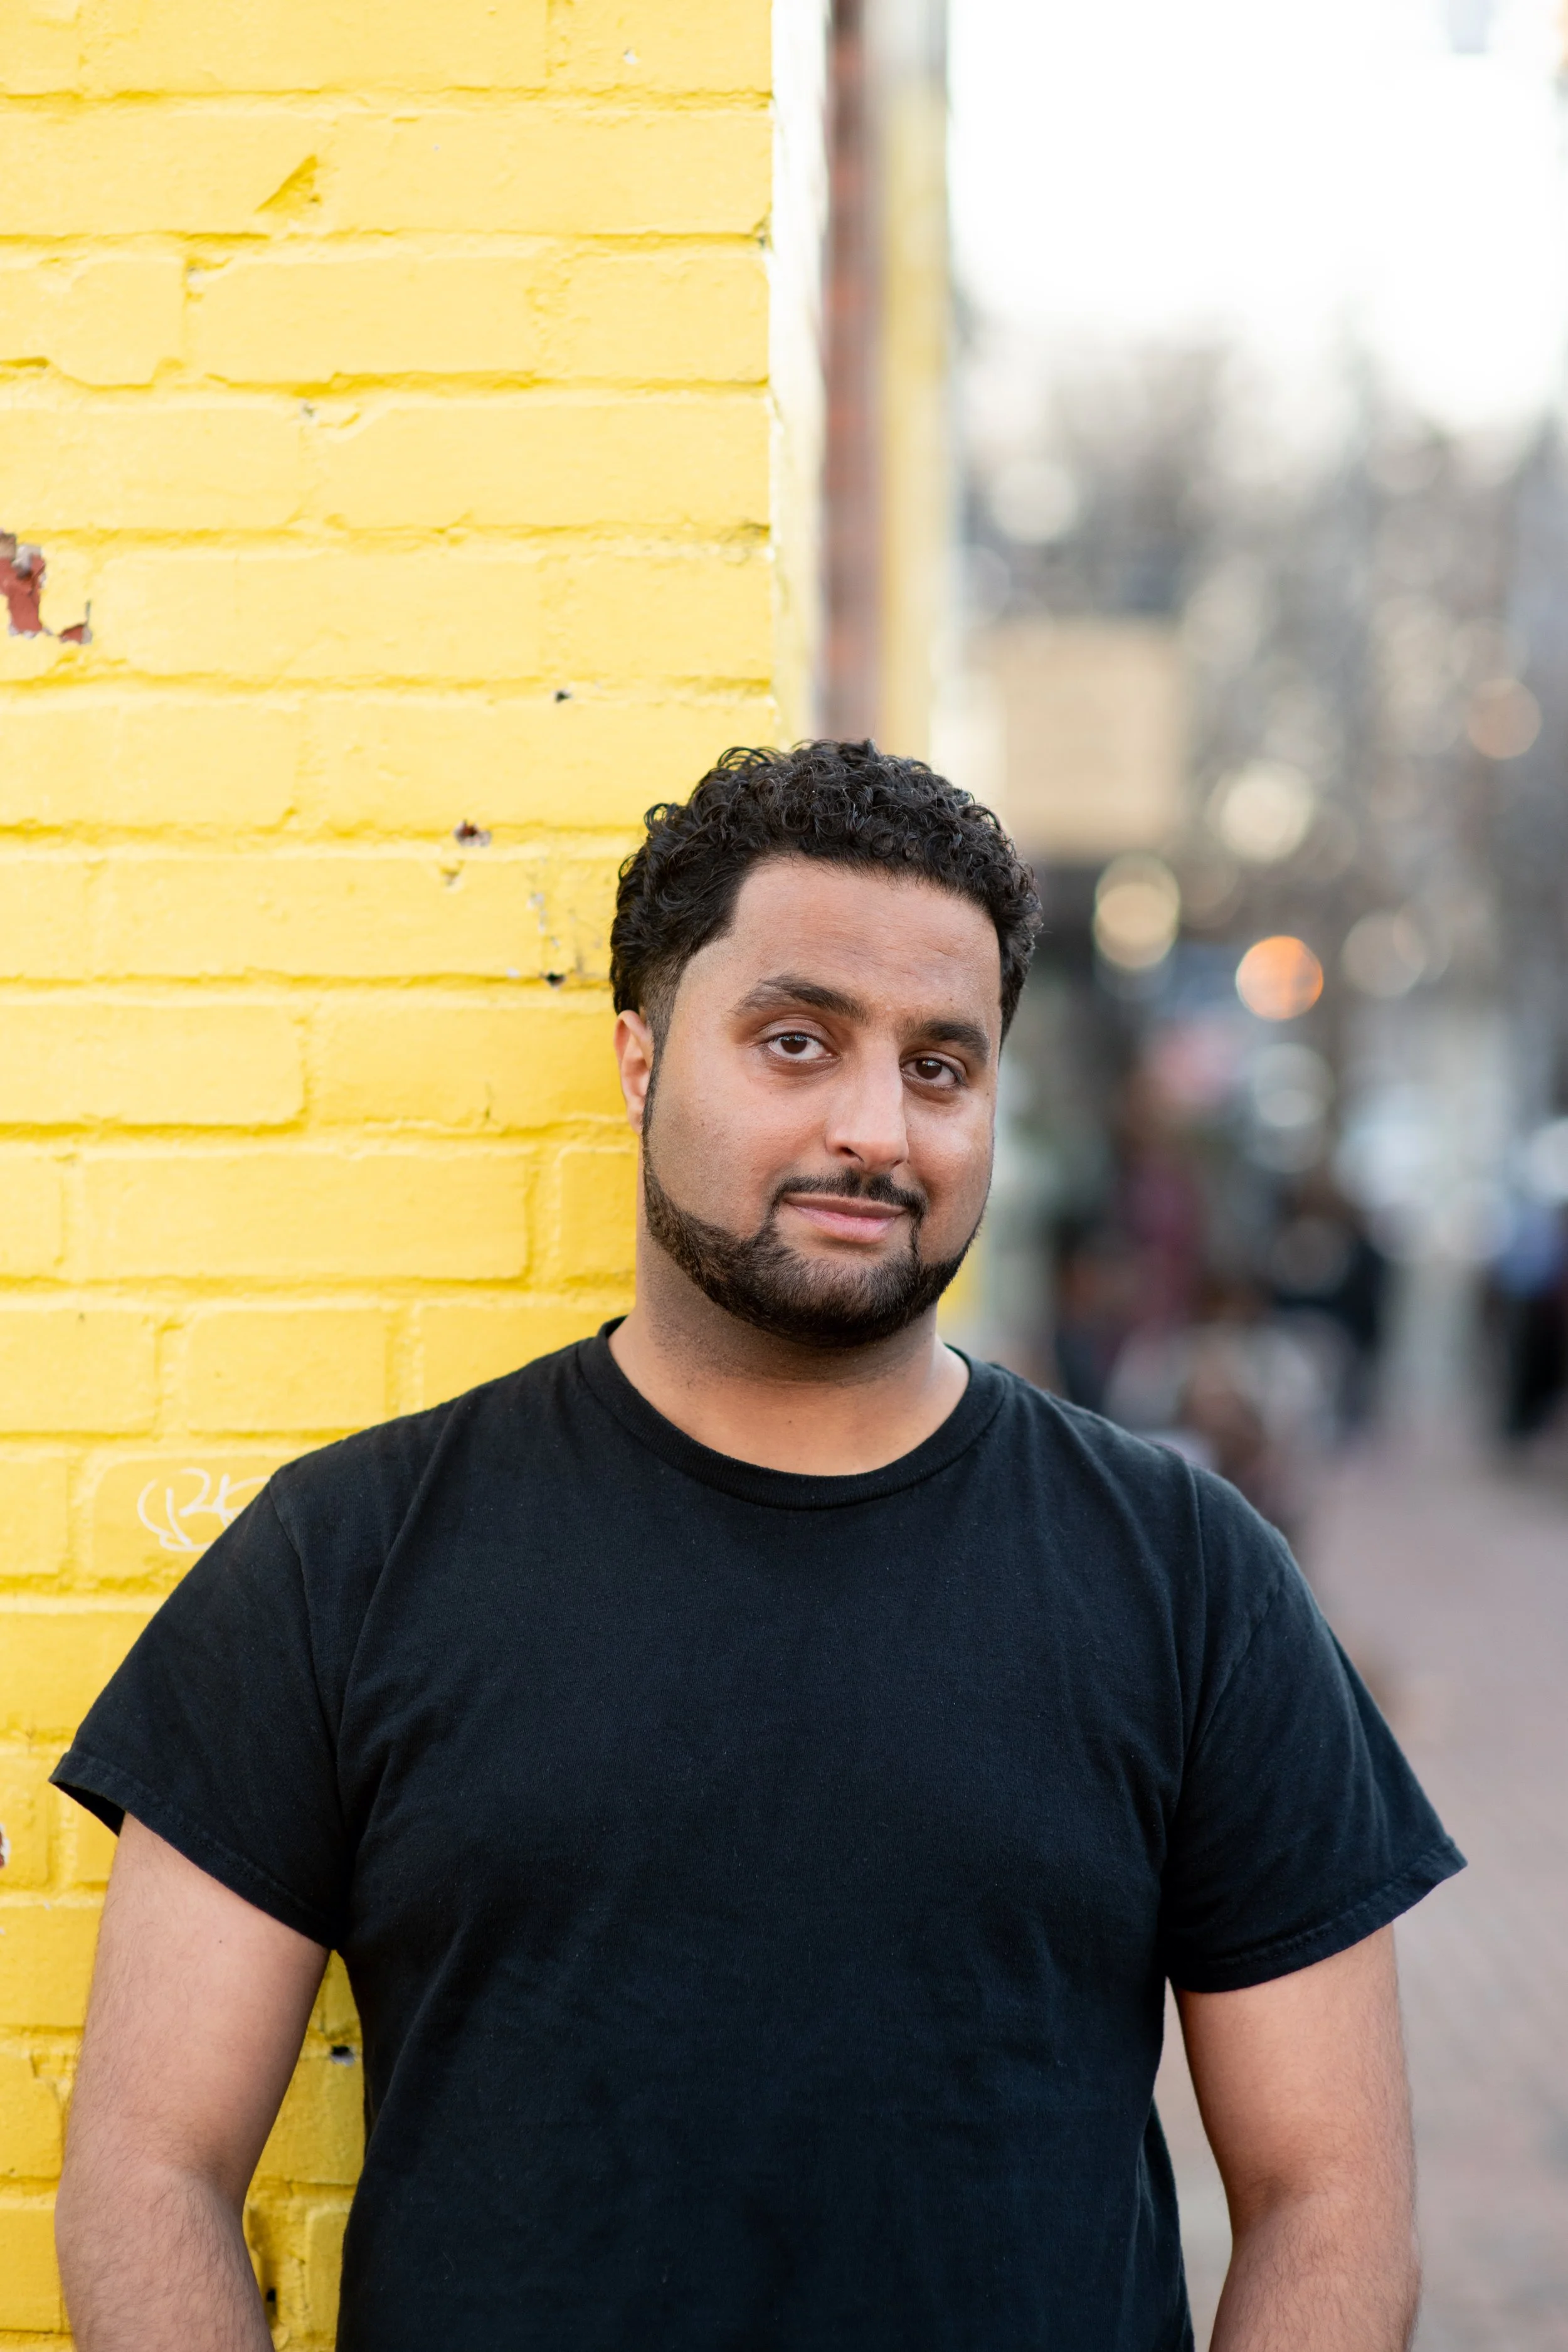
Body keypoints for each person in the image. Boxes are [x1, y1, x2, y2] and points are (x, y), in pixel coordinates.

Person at [53, 741, 1461, 2352]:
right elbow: (148, 2178)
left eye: (942, 1066)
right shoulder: (347, 1558)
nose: (876, 1128)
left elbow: (1330, 2206)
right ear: (640, 1062)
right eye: (796, 1042)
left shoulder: (1185, 1577)